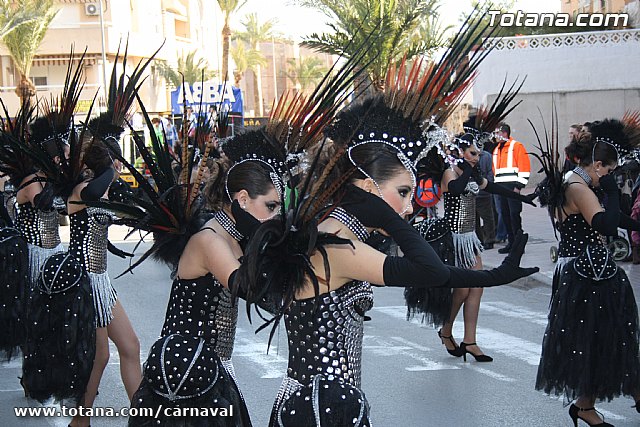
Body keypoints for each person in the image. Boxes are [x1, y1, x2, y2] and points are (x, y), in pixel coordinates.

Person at [236, 42, 539, 423]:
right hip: (322, 407)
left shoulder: (342, 233)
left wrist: (493, 277)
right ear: (367, 189)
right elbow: (429, 272)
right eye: (403, 193)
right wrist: (391, 218)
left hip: (324, 399)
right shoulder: (340, 245)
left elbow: (428, 270)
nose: (410, 206)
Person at [535, 119, 640, 426]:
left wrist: (621, 199)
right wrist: (609, 191)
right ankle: (587, 406)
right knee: (599, 337)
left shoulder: (576, 181)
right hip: (586, 273)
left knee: (606, 336)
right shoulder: (578, 187)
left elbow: (617, 216)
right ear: (596, 164)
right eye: (607, 171)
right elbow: (605, 224)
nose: (608, 177)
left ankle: (590, 404)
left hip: (591, 269)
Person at [492, 122, 531, 253]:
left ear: (504, 133)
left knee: (514, 215)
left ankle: (519, 244)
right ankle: (511, 242)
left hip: (512, 187)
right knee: (505, 215)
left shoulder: (517, 146)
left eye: (497, 133)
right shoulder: (497, 149)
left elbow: (524, 167)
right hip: (500, 187)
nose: (495, 136)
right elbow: (494, 169)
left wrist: (519, 186)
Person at [476, 147, 496, 248]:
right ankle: (479, 240)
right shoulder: (467, 156)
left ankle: (490, 239)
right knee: (475, 220)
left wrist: (486, 185)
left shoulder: (486, 156)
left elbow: (490, 172)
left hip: (484, 193)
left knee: (487, 217)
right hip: (473, 194)